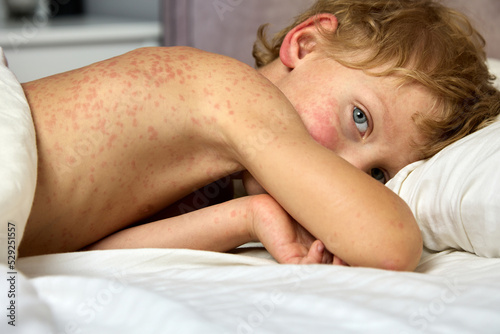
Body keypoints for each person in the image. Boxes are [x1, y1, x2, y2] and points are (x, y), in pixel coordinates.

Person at [18, 0, 499, 271]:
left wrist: (248, 218)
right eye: (359, 118)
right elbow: (393, 243)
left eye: (378, 174)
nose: (349, 173)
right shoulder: (238, 96)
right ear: (306, 44)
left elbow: (72, 253)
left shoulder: (216, 172)